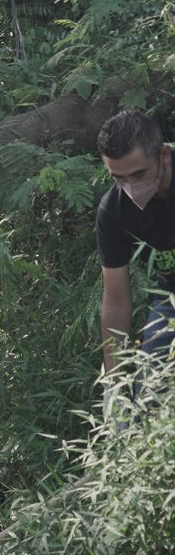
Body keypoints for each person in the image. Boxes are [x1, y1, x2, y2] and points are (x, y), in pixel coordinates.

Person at [97, 109, 175, 382]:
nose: (130, 186)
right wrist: (114, 381)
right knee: (150, 390)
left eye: (139, 174)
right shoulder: (114, 211)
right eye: (119, 177)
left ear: (163, 155)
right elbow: (116, 302)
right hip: (171, 298)